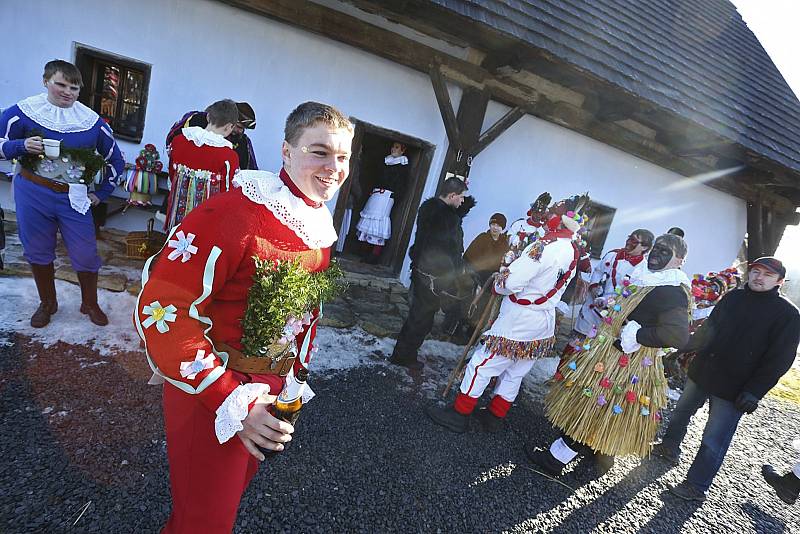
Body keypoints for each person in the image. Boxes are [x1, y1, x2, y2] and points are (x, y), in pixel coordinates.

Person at [135, 102, 353, 532]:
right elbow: (161, 309)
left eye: (342, 156)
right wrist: (230, 400)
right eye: (320, 151)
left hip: (268, 392)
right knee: (207, 523)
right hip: (215, 394)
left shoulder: (317, 223)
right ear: (286, 151)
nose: (333, 167)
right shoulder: (234, 213)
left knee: (213, 510)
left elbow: (303, 313)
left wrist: (293, 379)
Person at [527, 234, 691, 475]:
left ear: (679, 261)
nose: (656, 253)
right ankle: (602, 456)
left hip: (626, 362)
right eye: (656, 248)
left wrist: (637, 335)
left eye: (665, 251)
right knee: (608, 408)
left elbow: (677, 336)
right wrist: (613, 303)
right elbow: (639, 307)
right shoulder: (649, 277)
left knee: (593, 405)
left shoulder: (672, 289)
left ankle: (556, 459)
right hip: (611, 351)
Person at [425, 195, 587, 433]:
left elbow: (510, 283)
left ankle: (459, 414)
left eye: (551, 214)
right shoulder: (573, 249)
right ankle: (494, 417)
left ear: (559, 221)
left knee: (482, 364)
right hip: (543, 321)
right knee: (515, 372)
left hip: (519, 319)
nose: (546, 217)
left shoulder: (542, 248)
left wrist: (499, 280)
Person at [651, 256, 800, 502]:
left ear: (779, 281)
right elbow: (709, 329)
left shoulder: (788, 315)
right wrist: (681, 348)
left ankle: (696, 486)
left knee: (714, 439)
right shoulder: (733, 297)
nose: (759, 277)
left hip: (735, 387)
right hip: (703, 371)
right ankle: (669, 447)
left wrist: (755, 391)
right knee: (680, 412)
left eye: (767, 275)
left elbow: (779, 359)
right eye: (755, 271)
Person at [0, 59, 125, 327]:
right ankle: (48, 302)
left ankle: (89, 303)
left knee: (85, 253)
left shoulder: (91, 122)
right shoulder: (22, 113)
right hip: (32, 191)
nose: (68, 92)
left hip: (74, 197)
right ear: (46, 82)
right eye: (61, 84)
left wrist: (101, 194)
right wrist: (20, 146)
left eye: (75, 88)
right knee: (37, 250)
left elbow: (116, 160)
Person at [388, 177, 468, 369]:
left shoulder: (431, 209)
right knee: (421, 318)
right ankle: (403, 356)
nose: (463, 201)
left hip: (423, 270)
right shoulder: (445, 218)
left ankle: (404, 353)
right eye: (461, 197)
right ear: (452, 195)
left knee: (420, 314)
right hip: (433, 275)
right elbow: (446, 250)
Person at [163, 99, 241, 231]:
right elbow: (227, 196)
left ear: (208, 116)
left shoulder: (178, 141)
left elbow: (172, 177)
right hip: (205, 225)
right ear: (230, 126)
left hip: (177, 219)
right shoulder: (229, 157)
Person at [356, 141, 409, 264]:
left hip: (387, 197)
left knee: (380, 222)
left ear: (402, 150)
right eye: (392, 146)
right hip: (376, 195)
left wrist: (395, 196)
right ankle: (363, 250)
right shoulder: (385, 161)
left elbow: (402, 184)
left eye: (396, 147)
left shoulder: (403, 164)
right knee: (369, 220)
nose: (393, 149)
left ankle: (374, 255)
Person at [166, 101, 259, 170]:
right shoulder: (196, 122)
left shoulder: (243, 142)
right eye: (238, 126)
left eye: (243, 129)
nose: (240, 131)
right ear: (230, 122)